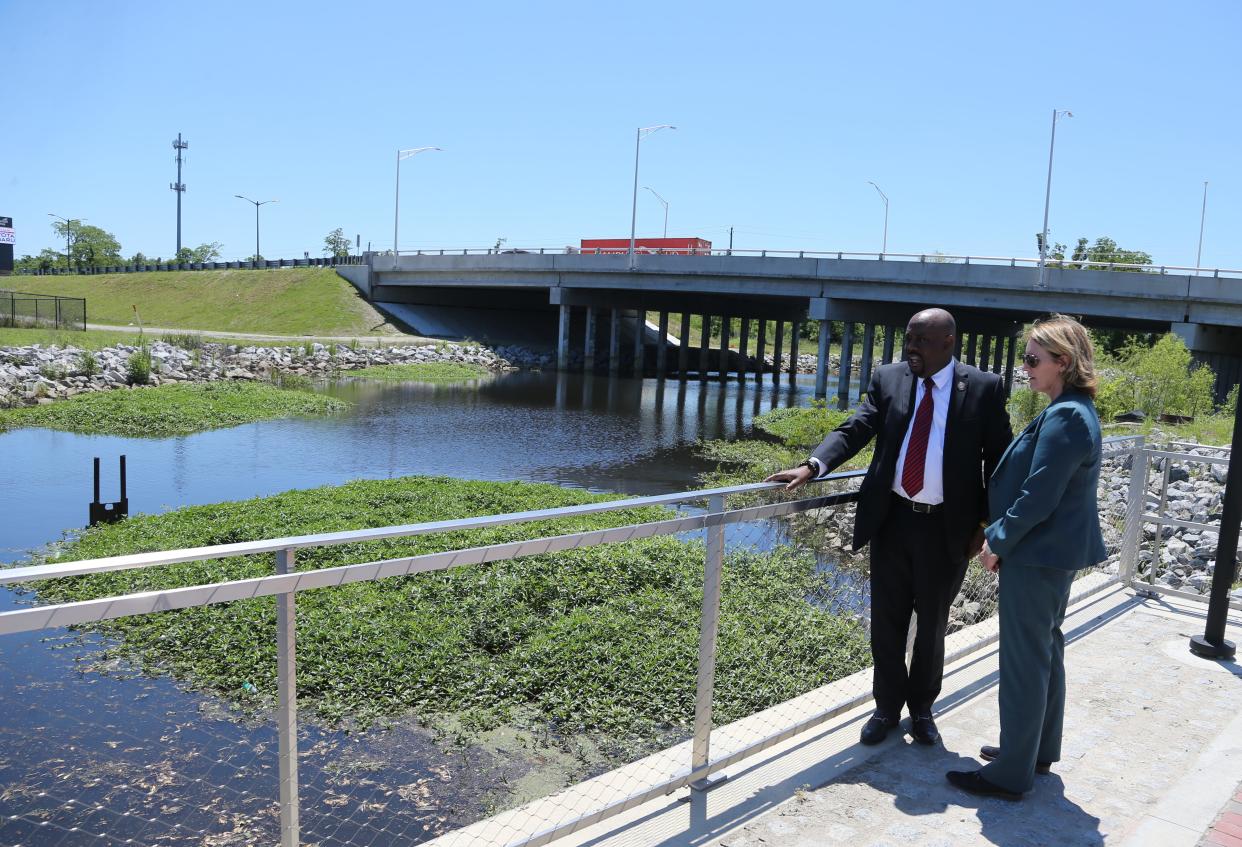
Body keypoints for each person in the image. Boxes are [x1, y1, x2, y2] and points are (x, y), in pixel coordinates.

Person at [766, 308, 1012, 746]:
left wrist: (986, 523)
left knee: (933, 625)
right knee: (887, 623)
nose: (911, 348)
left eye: (920, 340)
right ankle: (885, 709)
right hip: (892, 520)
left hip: (947, 529)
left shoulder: (983, 388)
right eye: (908, 339)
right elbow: (856, 427)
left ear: (947, 343)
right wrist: (813, 465)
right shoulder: (889, 378)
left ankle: (922, 710)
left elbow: (999, 461)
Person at [946, 314, 1107, 801]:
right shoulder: (1071, 408)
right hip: (1048, 555)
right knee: (1044, 653)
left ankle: (1010, 774)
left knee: (1023, 661)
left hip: (1036, 556)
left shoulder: (1068, 415)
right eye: (1025, 359)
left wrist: (997, 539)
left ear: (1063, 362)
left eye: (1034, 360)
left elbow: (1040, 494)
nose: (1025, 368)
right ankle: (1033, 750)